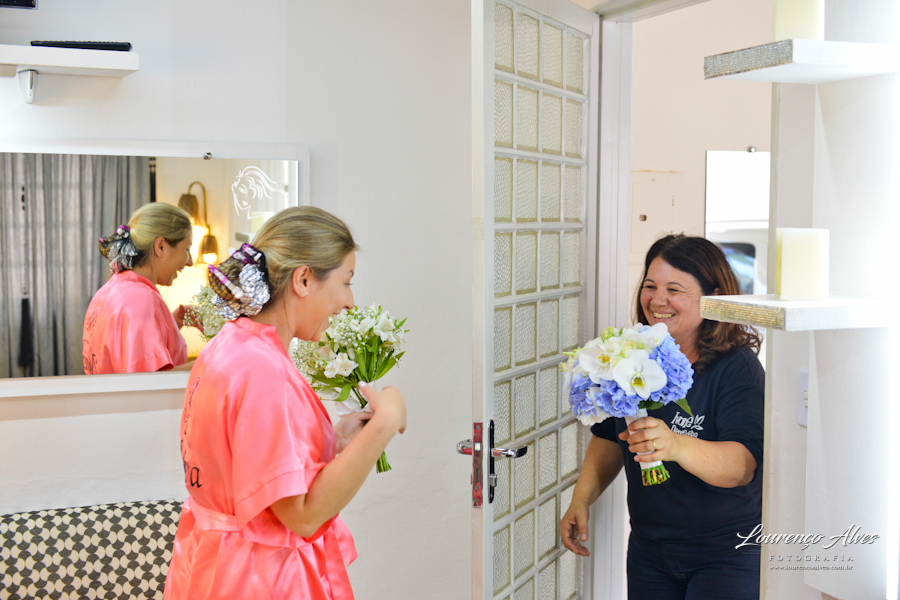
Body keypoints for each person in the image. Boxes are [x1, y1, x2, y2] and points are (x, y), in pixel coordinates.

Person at [164, 206, 407, 600]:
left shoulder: (229, 346)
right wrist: (385, 422)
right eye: (346, 282)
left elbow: (246, 463)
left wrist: (335, 441)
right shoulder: (263, 369)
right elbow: (303, 516)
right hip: (259, 577)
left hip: (216, 566)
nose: (349, 302)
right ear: (304, 279)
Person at [561, 234, 764, 600]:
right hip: (650, 551)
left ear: (713, 297)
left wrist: (675, 445)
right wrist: (581, 497)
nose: (657, 300)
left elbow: (742, 466)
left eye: (674, 289)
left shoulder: (737, 368)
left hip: (727, 555)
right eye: (650, 286)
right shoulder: (632, 355)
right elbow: (609, 438)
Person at [82, 202, 196, 374]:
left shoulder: (108, 291)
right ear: (161, 246)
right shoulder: (142, 300)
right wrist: (210, 359)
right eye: (187, 249)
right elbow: (151, 384)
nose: (190, 261)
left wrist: (171, 324)